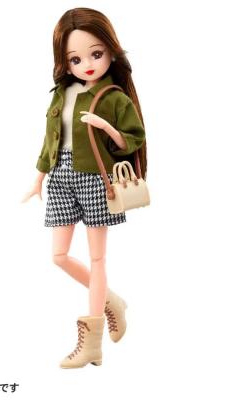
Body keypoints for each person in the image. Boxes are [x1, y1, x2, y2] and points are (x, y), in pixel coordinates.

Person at [22, 7, 147, 368]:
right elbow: (51, 137)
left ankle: (92, 344)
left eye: (96, 53)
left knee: (97, 258)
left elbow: (134, 139)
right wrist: (39, 176)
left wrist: (105, 126)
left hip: (95, 178)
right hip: (61, 176)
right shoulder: (61, 93)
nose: (87, 64)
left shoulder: (114, 98)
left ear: (111, 50)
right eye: (75, 59)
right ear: (64, 62)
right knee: (59, 256)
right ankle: (111, 299)